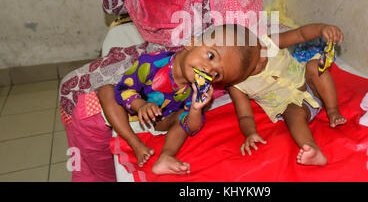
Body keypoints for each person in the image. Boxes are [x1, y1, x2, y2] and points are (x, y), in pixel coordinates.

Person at [59, 0, 263, 181]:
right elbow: (113, 4)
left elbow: (227, 32)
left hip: (203, 68)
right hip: (159, 55)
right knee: (71, 87)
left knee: (86, 110)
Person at [97, 24, 260, 175]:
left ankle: (165, 157)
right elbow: (123, 89)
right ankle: (136, 144)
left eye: (217, 74)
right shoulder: (151, 63)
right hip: (127, 114)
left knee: (184, 115)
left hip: (160, 121)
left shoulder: (196, 89)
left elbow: (192, 127)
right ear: (192, 43)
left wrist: (196, 108)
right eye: (210, 56)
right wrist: (141, 105)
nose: (208, 69)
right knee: (106, 91)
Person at [228, 23, 346, 166]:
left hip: (311, 84)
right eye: (255, 64)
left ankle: (333, 110)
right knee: (292, 114)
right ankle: (312, 149)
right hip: (293, 106)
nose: (263, 56)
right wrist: (250, 133)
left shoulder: (269, 43)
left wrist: (322, 29)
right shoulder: (237, 86)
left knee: (314, 67)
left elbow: (300, 33)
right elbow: (244, 116)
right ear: (238, 72)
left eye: (260, 48)